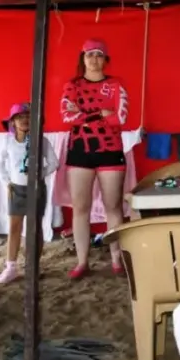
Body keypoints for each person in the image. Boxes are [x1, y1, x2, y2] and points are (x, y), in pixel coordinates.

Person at [60, 39, 128, 280]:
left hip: (110, 150)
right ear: (83, 58)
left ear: (105, 59)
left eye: (99, 55)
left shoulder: (116, 84)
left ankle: (116, 259)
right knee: (80, 208)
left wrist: (86, 116)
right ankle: (82, 262)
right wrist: (100, 113)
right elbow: (67, 116)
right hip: (80, 151)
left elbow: (120, 118)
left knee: (114, 206)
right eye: (90, 54)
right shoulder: (72, 85)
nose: (94, 59)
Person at [0, 103, 59, 284]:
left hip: (36, 189)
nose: (24, 120)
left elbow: (54, 163)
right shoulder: (7, 142)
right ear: (12, 122)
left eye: (28, 117)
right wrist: (7, 183)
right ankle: (11, 267)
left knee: (35, 228)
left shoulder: (42, 141)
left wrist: (39, 174)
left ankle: (33, 267)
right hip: (16, 189)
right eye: (19, 117)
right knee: (14, 227)